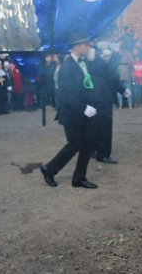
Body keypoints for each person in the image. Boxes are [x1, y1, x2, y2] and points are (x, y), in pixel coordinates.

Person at [40, 32, 100, 189]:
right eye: (86, 45)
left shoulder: (83, 62)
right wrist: (84, 108)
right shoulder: (67, 67)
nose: (88, 47)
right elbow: (65, 95)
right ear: (77, 46)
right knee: (74, 144)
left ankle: (79, 178)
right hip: (73, 113)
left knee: (88, 144)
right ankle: (49, 169)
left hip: (84, 112)